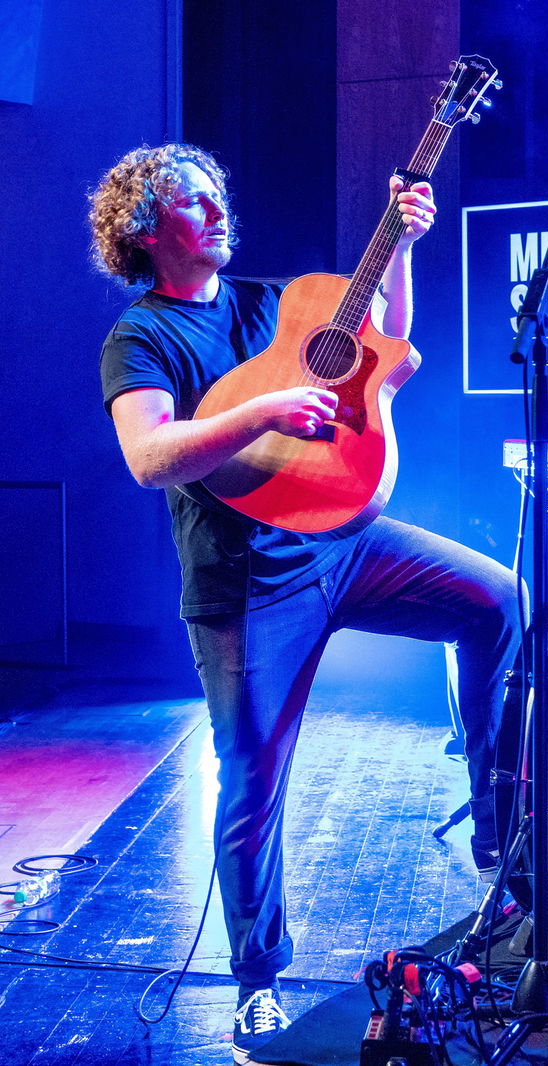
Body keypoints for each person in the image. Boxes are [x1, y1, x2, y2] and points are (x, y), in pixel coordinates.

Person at [90, 144, 521, 1064]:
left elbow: (385, 343)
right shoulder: (142, 337)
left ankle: (499, 833)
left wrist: (401, 246)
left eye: (216, 195)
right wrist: (261, 413)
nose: (215, 210)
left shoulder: (268, 300)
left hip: (344, 538)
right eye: (191, 203)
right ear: (143, 230)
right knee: (252, 779)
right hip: (246, 582)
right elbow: (148, 457)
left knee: (498, 598)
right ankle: (255, 983)